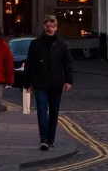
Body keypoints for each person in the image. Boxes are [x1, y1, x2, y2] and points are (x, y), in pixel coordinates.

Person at [25, 15, 74, 151]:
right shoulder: (35, 43)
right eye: (47, 25)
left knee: (54, 111)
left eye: (52, 26)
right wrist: (27, 82)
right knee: (41, 109)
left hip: (56, 82)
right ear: (44, 26)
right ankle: (44, 139)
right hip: (40, 82)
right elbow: (30, 64)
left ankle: (51, 138)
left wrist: (69, 80)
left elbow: (67, 63)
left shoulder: (62, 44)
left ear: (56, 27)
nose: (50, 28)